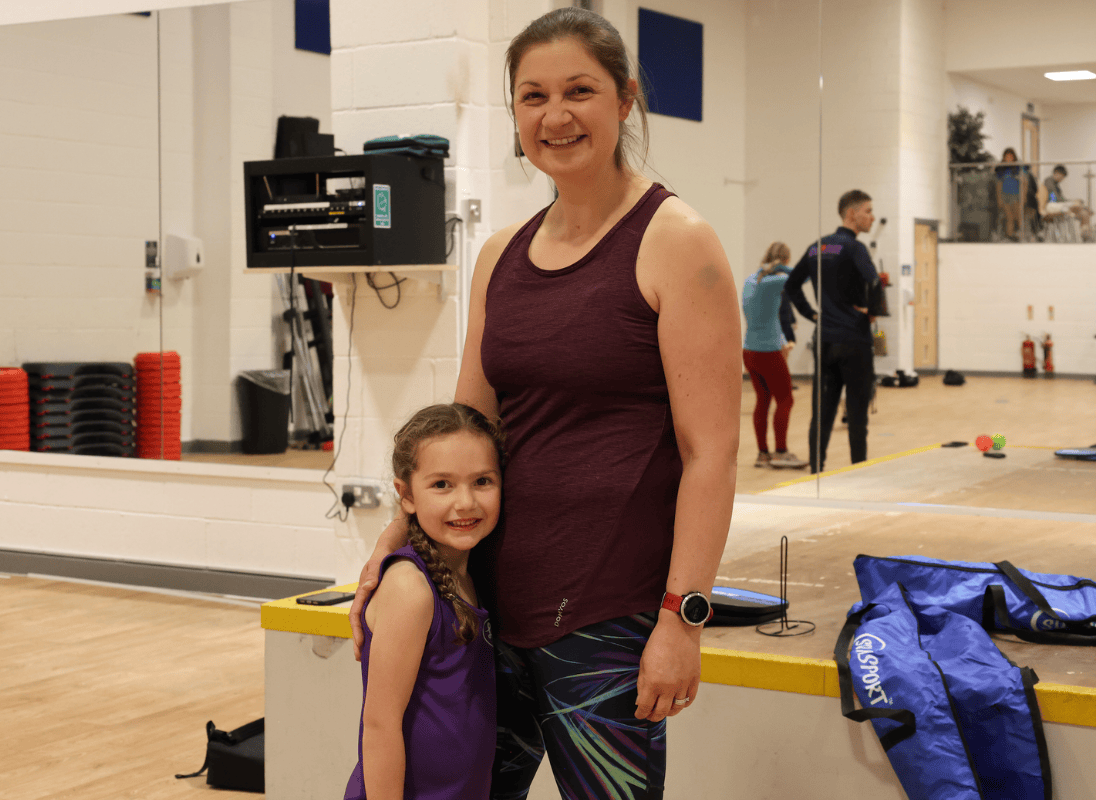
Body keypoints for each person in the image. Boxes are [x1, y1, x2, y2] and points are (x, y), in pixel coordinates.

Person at [349, 8, 741, 799]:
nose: (555, 116)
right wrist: (399, 532)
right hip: (487, 606)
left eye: (579, 91)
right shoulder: (500, 254)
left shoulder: (676, 240)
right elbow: (463, 432)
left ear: (625, 100)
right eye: (532, 96)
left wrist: (681, 619)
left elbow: (712, 454)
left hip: (608, 617)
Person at [343, 403, 504, 800]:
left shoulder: (470, 574)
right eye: (442, 485)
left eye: (482, 481)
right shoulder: (410, 588)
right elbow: (380, 724)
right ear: (406, 495)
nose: (465, 501)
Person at [784, 189, 880, 473]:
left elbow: (791, 285)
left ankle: (816, 472)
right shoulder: (855, 248)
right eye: (868, 211)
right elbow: (874, 284)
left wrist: (813, 315)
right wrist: (871, 313)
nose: (872, 217)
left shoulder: (817, 247)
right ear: (852, 214)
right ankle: (858, 472)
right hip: (854, 341)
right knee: (857, 413)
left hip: (825, 341)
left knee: (822, 413)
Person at [742, 242, 807, 469]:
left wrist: (769, 267)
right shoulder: (776, 281)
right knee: (786, 400)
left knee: (763, 400)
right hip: (768, 353)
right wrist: (782, 268)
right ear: (785, 260)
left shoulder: (750, 280)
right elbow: (803, 277)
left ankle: (763, 455)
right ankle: (780, 452)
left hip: (749, 352)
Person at [995, 147, 1027, 240]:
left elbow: (1024, 183)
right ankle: (1010, 236)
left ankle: (1022, 235)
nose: (1009, 159)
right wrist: (999, 199)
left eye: (1011, 157)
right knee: (1009, 217)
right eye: (1007, 157)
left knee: (1018, 216)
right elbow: (999, 185)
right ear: (1004, 158)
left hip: (1016, 196)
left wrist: (1023, 197)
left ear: (1014, 158)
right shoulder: (1001, 169)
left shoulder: (1019, 168)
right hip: (1005, 196)